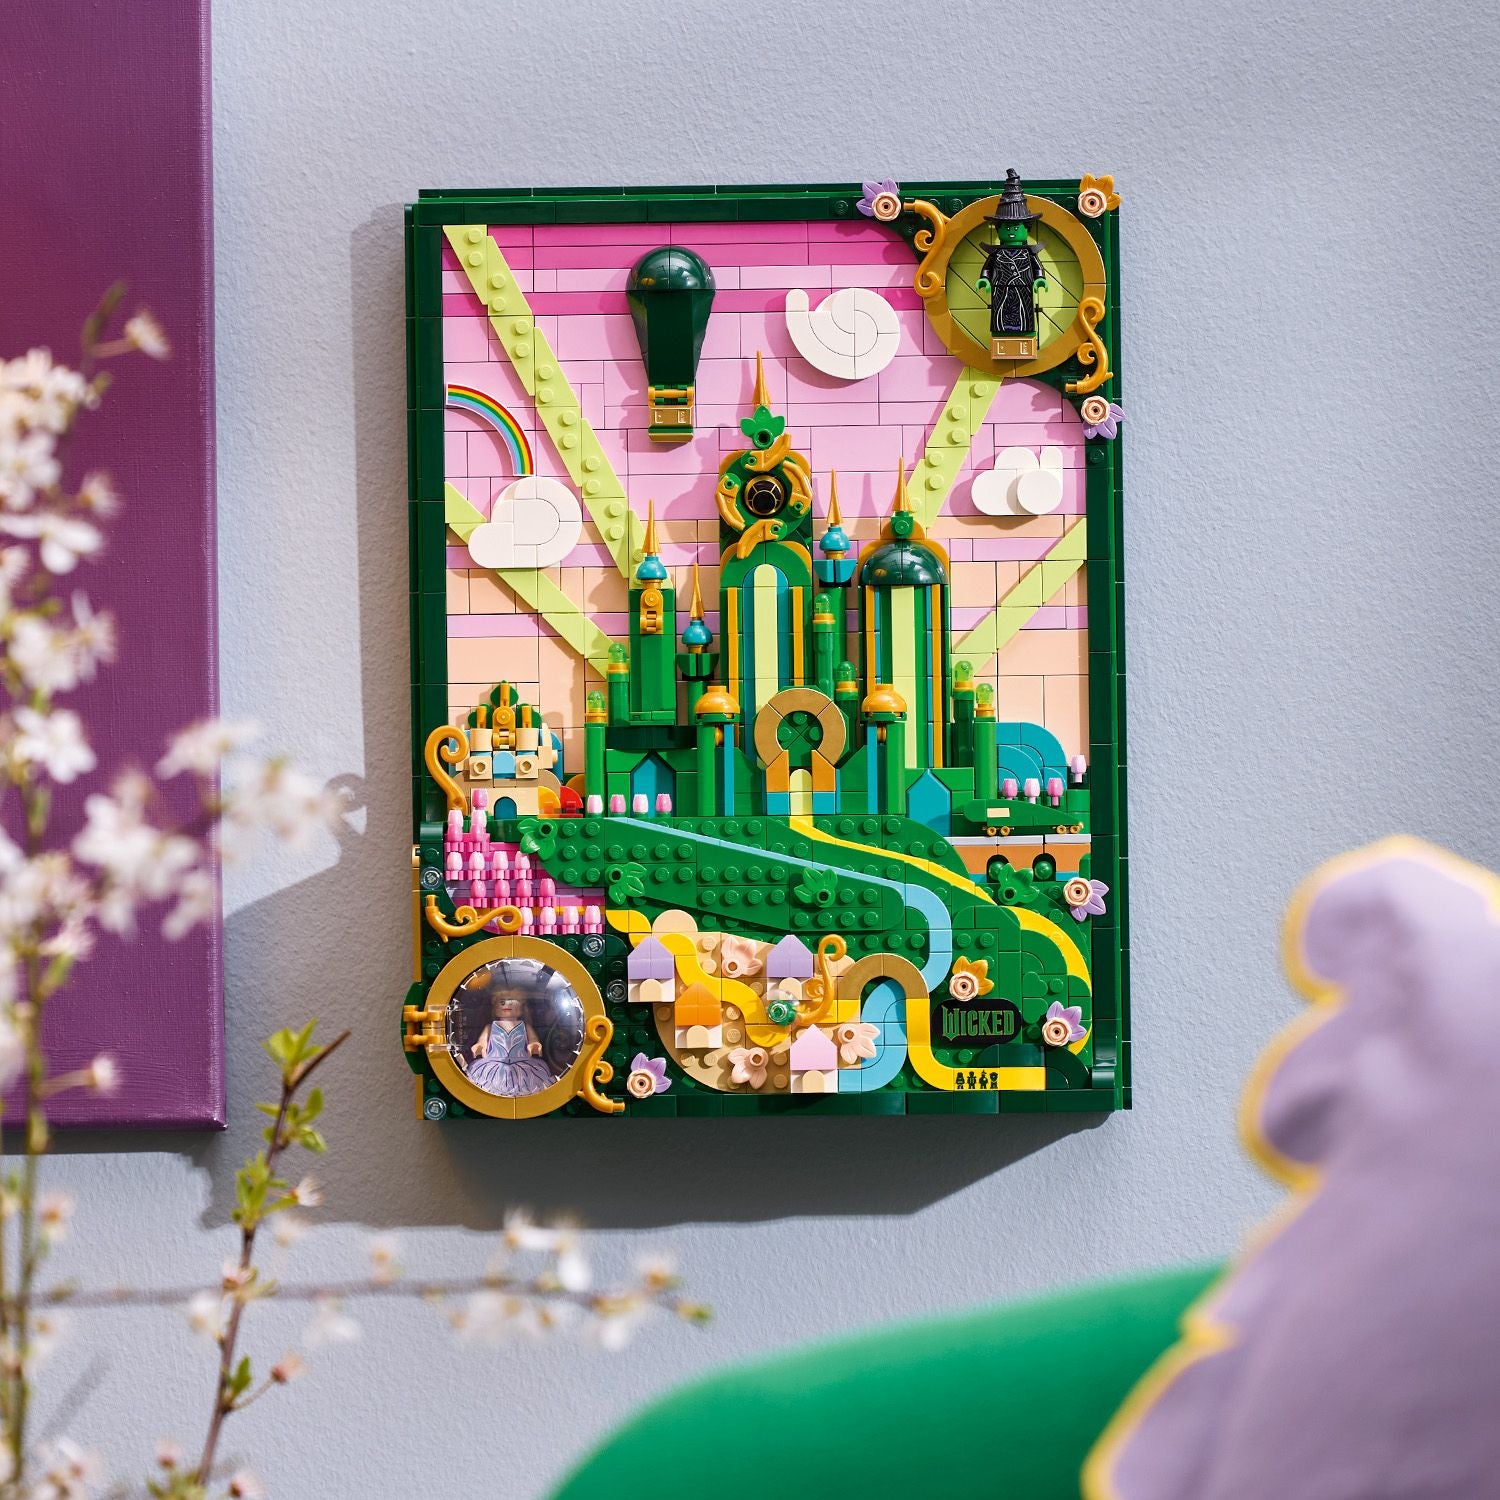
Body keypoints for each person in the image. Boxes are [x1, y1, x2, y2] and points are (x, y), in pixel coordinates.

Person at [465, 977, 555, 1097]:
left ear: (521, 1008)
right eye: (502, 1002)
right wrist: (480, 1046)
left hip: (522, 1061)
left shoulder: (525, 1026)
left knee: (532, 1077)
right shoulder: (490, 1027)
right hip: (494, 1061)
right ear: (495, 1008)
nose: (506, 1005)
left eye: (512, 1002)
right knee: (484, 1076)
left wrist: (534, 1044)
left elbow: (533, 1039)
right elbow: (483, 1041)